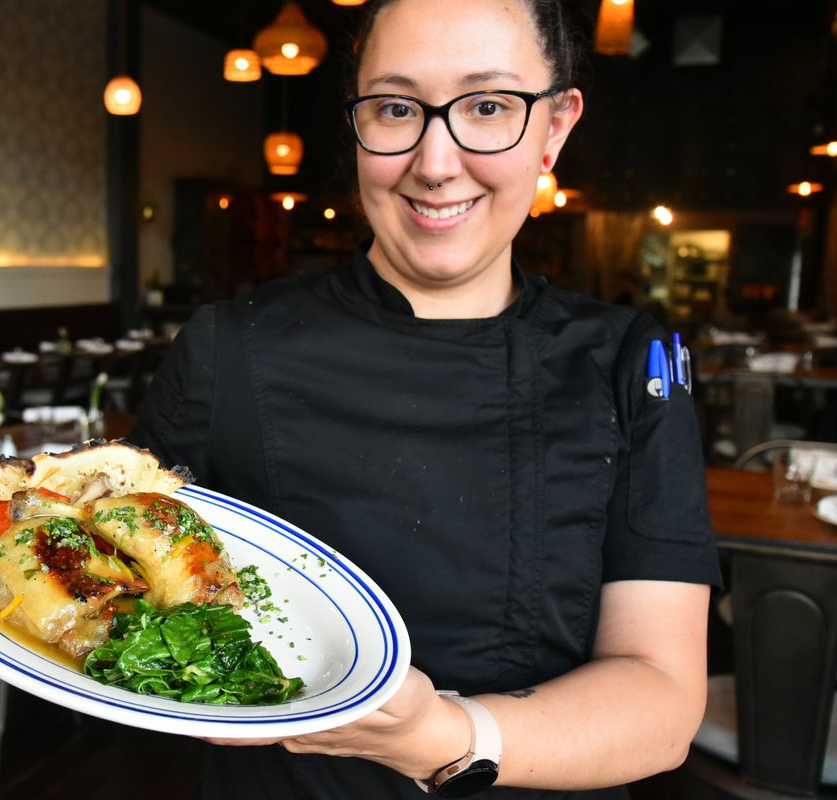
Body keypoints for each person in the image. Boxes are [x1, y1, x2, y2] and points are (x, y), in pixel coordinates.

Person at [128, 0, 720, 797]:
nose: (436, 162)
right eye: (398, 108)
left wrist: (441, 736)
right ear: (358, 124)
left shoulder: (627, 360)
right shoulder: (223, 349)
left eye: (487, 106)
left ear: (555, 127)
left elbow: (661, 702)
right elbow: (125, 600)